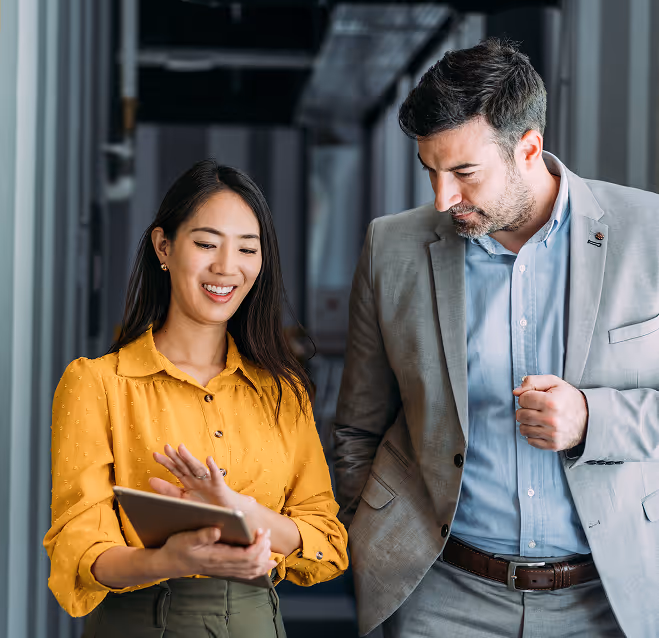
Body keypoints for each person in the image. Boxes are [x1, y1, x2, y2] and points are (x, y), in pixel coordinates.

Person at [333, 38, 659, 638]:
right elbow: (358, 427)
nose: (442, 198)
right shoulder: (392, 247)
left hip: (609, 601)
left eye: (463, 173)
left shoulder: (650, 233)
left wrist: (592, 419)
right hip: (442, 597)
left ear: (528, 148)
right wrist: (369, 534)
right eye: (430, 171)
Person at [44, 160, 348, 637]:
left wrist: (244, 511)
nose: (227, 268)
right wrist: (166, 559)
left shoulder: (283, 393)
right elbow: (78, 549)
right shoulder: (98, 384)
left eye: (247, 249)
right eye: (206, 244)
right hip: (143, 620)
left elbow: (327, 544)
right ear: (163, 246)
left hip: (255, 623)